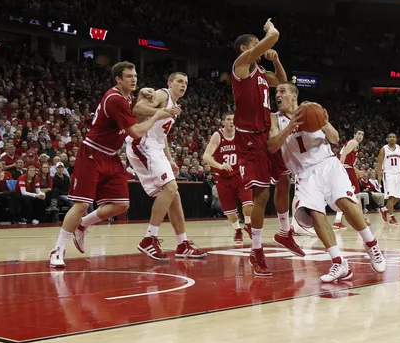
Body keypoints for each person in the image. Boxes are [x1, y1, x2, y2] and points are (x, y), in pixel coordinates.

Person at [49, 62, 177, 269]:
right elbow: (135, 132)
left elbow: (133, 109)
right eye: (128, 76)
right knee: (81, 204)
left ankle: (82, 225)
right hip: (92, 153)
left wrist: (141, 95)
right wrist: (156, 116)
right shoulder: (115, 99)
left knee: (121, 205)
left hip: (111, 155)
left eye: (135, 76)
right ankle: (58, 249)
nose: (134, 79)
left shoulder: (125, 96)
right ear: (118, 79)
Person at [268, 82, 385, 283]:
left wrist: (322, 121)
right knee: (316, 215)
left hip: (327, 163)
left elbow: (335, 138)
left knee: (345, 203)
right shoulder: (274, 118)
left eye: (282, 91)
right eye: (276, 91)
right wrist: (290, 126)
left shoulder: (312, 109)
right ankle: (339, 262)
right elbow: (272, 146)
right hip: (304, 173)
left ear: (294, 96)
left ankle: (371, 244)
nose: (277, 94)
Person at [232, 19, 303, 276]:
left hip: (265, 135)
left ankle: (285, 232)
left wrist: (276, 60)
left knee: (284, 179)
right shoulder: (241, 67)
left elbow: (282, 82)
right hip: (249, 139)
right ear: (245, 49)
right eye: (255, 46)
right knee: (261, 195)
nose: (259, 50)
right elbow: (273, 36)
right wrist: (269, 31)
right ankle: (257, 252)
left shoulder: (261, 73)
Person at [125, 72, 206, 260]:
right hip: (141, 144)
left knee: (174, 194)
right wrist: (162, 112)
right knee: (170, 188)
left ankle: (182, 243)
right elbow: (137, 109)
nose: (183, 85)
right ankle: (149, 238)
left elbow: (162, 136)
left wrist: (169, 159)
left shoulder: (175, 106)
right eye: (179, 81)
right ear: (169, 83)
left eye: (186, 82)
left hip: (156, 147)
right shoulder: (163, 94)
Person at [203, 112, 253, 243]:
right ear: (224, 122)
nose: (232, 122)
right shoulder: (217, 135)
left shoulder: (241, 134)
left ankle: (248, 224)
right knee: (231, 213)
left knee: (248, 205)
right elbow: (206, 156)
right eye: (229, 119)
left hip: (240, 175)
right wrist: (220, 166)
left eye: (234, 119)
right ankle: (237, 230)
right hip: (223, 178)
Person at [334, 130, 365, 230]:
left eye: (362, 135)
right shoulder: (353, 142)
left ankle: (338, 221)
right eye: (359, 134)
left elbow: (348, 161)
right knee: (357, 195)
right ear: (354, 134)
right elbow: (343, 156)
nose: (360, 136)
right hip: (346, 169)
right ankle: (361, 220)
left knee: (345, 195)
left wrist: (358, 171)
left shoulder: (352, 143)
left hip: (348, 169)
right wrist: (341, 168)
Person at [376, 133, 400, 226]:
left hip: (398, 174)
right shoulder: (383, 149)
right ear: (387, 139)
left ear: (396, 139)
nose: (392, 138)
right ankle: (392, 217)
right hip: (388, 174)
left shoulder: (399, 149)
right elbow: (379, 163)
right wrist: (379, 175)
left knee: (398, 197)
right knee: (391, 196)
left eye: (393, 137)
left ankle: (384, 209)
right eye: (390, 137)